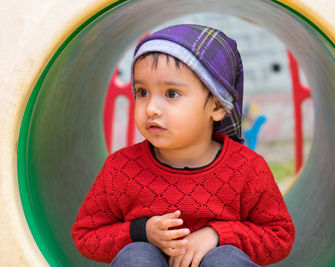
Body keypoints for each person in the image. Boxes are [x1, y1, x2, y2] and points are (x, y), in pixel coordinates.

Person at [72, 24, 295, 267]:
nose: (151, 108)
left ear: (218, 106)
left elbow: (279, 236)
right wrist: (141, 231)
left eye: (171, 93)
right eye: (142, 92)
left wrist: (219, 235)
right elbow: (86, 235)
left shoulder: (246, 168)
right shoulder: (121, 168)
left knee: (226, 260)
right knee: (135, 256)